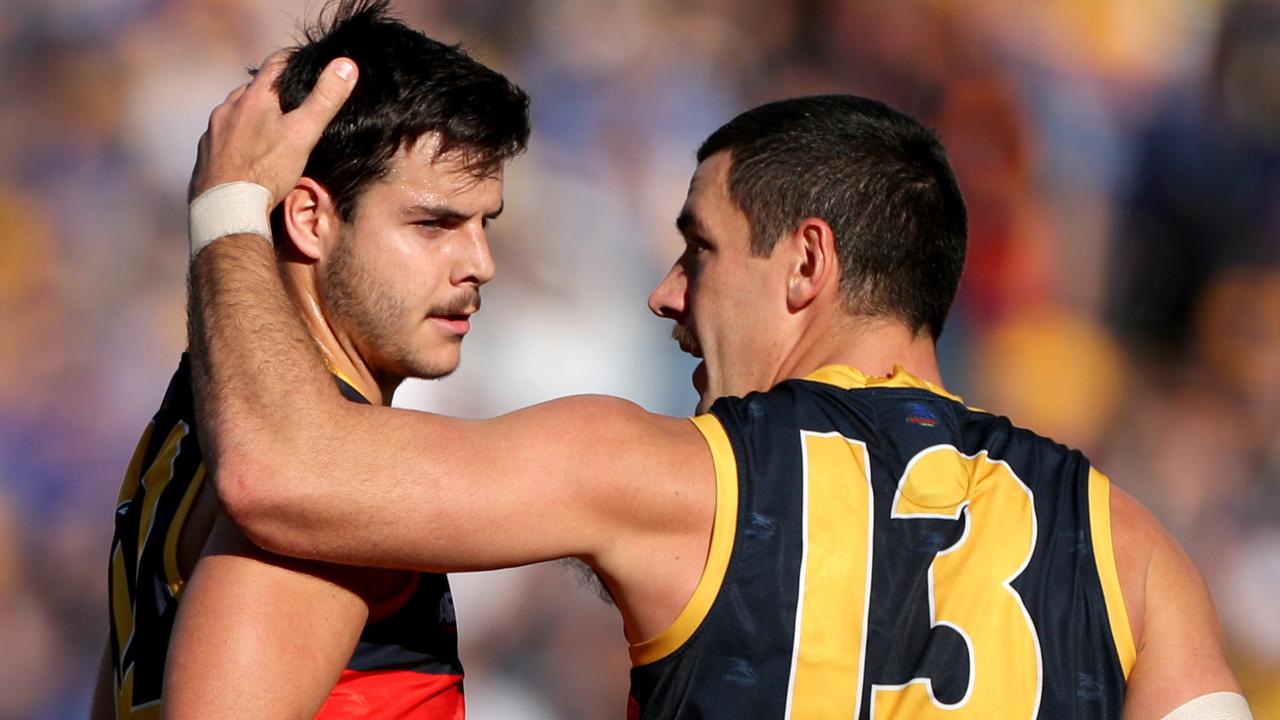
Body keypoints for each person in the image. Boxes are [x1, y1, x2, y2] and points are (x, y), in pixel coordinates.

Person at [177, 55, 1252, 718]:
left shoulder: (681, 478)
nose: (664, 293)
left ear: (804, 265)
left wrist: (230, 207)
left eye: (698, 249)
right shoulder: (1131, 549)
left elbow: (283, 471)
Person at [91, 1, 530, 717]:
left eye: (485, 224)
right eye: (433, 224)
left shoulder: (190, 416)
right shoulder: (326, 495)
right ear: (309, 217)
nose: (479, 263)